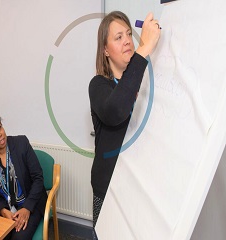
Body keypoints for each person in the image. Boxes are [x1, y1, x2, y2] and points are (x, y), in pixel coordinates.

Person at [88, 11, 161, 227]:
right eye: (118, 37)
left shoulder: (142, 83)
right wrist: (144, 48)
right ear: (105, 50)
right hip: (108, 187)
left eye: (129, 34)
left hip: (137, 185)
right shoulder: (98, 85)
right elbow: (116, 110)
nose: (128, 40)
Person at [0, 112, 47, 240]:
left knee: (18, 238)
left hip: (29, 203)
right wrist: (3, 211)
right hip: (6, 209)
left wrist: (27, 208)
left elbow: (38, 178)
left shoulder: (21, 143)